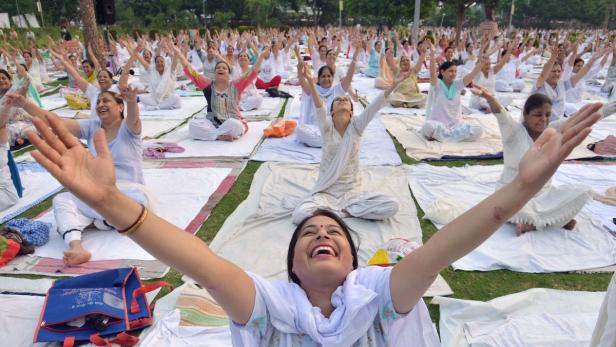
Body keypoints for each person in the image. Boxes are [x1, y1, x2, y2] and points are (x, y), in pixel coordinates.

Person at [24, 72, 602, 345]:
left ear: (354, 263)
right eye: (310, 237)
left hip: (355, 191)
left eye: (333, 236)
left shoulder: (381, 298)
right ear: (292, 269)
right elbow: (201, 264)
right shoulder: (268, 308)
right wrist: (115, 205)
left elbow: (447, 245)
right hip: (322, 184)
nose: (322, 236)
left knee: (367, 201)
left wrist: (522, 190)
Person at [5, 85, 150, 266]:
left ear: (120, 107)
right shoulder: (92, 127)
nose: (100, 104)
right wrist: (24, 104)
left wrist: (131, 101)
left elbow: (134, 118)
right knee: (62, 200)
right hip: (99, 194)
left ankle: (100, 222)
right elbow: (56, 122)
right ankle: (77, 245)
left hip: (128, 194)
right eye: (98, 102)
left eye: (106, 101)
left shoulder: (129, 128)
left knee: (140, 201)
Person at [472, 85, 615, 235]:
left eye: (547, 115)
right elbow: (500, 113)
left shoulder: (552, 129)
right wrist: (489, 98)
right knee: (510, 207)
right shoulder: (513, 131)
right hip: (514, 193)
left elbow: (581, 119)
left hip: (544, 194)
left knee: (583, 191)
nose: (543, 119)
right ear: (525, 114)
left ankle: (539, 221)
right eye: (538, 115)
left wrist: (611, 108)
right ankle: (550, 221)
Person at [291, 58, 407, 224]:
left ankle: (337, 213)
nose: (342, 100)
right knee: (299, 215)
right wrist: (310, 80)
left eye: (346, 100)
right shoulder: (326, 128)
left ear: (352, 113)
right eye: (338, 101)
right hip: (326, 192)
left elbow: (375, 106)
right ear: (331, 113)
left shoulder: (356, 127)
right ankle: (342, 213)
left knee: (392, 205)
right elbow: (319, 107)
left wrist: (394, 84)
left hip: (352, 193)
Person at [175, 45, 266, 141]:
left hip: (232, 121)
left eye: (224, 68)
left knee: (235, 125)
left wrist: (261, 56)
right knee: (193, 125)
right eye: (218, 68)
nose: (221, 69)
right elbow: (192, 71)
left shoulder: (236, 84)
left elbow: (252, 72)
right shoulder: (208, 84)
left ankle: (212, 135)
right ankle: (219, 136)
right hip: (213, 123)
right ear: (215, 73)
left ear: (228, 73)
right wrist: (179, 54)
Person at [295, 42, 359, 148]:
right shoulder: (314, 89)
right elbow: (302, 81)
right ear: (318, 79)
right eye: (323, 76)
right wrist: (299, 69)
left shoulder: (337, 89)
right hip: (314, 128)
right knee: (300, 130)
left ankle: (329, 140)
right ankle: (333, 141)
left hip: (331, 128)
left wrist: (355, 55)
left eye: (329, 76)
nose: (326, 79)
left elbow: (349, 77)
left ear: (333, 78)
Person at [421, 43, 485, 142]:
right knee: (428, 127)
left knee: (478, 129)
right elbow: (433, 73)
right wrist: (433, 53)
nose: (454, 74)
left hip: (456, 125)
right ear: (442, 72)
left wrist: (482, 61)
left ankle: (445, 136)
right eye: (451, 71)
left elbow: (472, 74)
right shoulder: (437, 84)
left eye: (455, 71)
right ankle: (454, 136)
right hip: (439, 123)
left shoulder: (457, 84)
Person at [532, 46, 599, 121]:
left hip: (555, 122)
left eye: (559, 71)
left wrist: (593, 59)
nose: (557, 74)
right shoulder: (540, 84)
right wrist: (552, 59)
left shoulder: (562, 85)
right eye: (554, 71)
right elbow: (543, 75)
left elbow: (581, 73)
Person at [52, 50, 120, 118]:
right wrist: (63, 59)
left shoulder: (96, 75)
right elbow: (74, 73)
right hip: (84, 96)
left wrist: (91, 52)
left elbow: (97, 64)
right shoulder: (90, 86)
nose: (85, 69)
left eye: (87, 67)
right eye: (84, 67)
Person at [124, 41, 182, 111]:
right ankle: (161, 106)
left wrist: (176, 52)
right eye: (157, 62)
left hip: (168, 98)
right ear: (155, 64)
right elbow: (141, 59)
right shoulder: (152, 70)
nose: (159, 63)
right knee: (142, 98)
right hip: (154, 99)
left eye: (161, 61)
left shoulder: (170, 71)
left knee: (176, 98)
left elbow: (175, 61)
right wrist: (136, 50)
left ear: (165, 63)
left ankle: (157, 107)